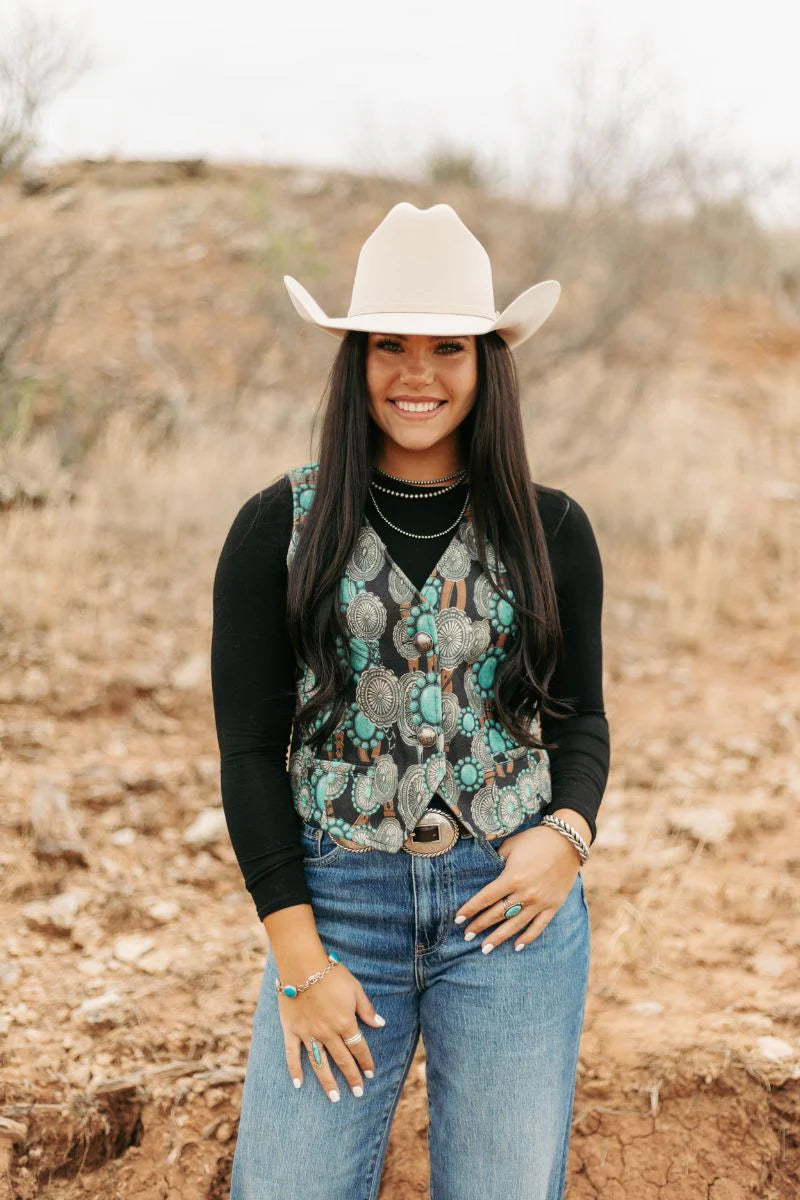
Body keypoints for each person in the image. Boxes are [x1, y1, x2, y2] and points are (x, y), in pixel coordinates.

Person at [211, 201, 610, 1200]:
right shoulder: (278, 526)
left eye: (446, 347)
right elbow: (250, 751)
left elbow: (579, 720)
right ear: (355, 361)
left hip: (507, 914)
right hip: (340, 903)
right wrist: (299, 964)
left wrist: (562, 837)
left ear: (486, 362)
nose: (416, 374)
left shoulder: (549, 528)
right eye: (388, 345)